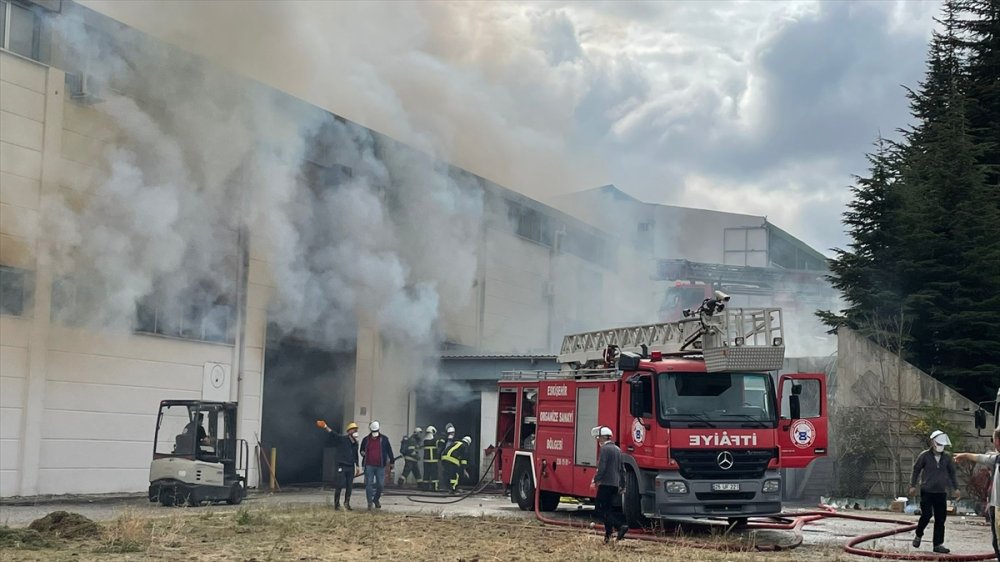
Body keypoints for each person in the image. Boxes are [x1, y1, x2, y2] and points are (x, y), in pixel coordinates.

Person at [909, 430, 960, 554]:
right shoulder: (924, 456)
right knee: (926, 514)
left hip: (941, 492)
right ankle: (918, 534)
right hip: (927, 491)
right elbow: (916, 469)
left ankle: (938, 544)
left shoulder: (947, 458)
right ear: (932, 442)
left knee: (940, 518)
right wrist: (912, 485)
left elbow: (952, 473)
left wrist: (956, 488)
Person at [954, 427, 1000, 561]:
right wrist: (965, 455)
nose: (994, 444)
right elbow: (981, 458)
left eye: (995, 440)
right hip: (995, 506)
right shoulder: (996, 459)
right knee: (996, 541)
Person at [591, 426, 628, 543]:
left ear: (603, 437)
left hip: (606, 483)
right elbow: (622, 469)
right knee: (608, 509)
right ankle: (608, 536)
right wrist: (623, 484)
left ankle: (619, 526)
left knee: (600, 509)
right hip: (615, 484)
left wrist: (595, 480)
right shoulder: (618, 450)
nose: (598, 441)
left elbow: (602, 468)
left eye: (598, 438)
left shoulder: (605, 450)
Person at [323, 421, 360, 510]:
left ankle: (347, 503)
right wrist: (325, 426)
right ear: (349, 431)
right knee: (339, 485)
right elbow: (333, 434)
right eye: (354, 430)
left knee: (349, 486)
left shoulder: (355, 443)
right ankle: (337, 504)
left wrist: (357, 466)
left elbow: (355, 455)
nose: (355, 432)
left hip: (351, 467)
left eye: (356, 430)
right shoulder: (342, 439)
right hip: (342, 466)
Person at [359, 421, 395, 510]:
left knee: (381, 485)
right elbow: (361, 450)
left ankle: (376, 499)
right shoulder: (366, 440)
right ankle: (369, 503)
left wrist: (392, 462)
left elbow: (389, 450)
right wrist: (363, 453)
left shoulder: (384, 439)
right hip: (369, 466)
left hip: (380, 466)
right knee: (369, 485)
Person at [438, 423, 456, 489]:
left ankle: (447, 486)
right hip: (450, 459)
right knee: (449, 473)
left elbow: (441, 449)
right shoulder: (451, 440)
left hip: (444, 458)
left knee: (445, 473)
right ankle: (449, 487)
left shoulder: (445, 439)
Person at [421, 425, 439, 491]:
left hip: (426, 461)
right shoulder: (435, 440)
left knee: (426, 474)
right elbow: (439, 445)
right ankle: (435, 488)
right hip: (433, 461)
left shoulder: (425, 440)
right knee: (434, 474)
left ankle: (425, 488)